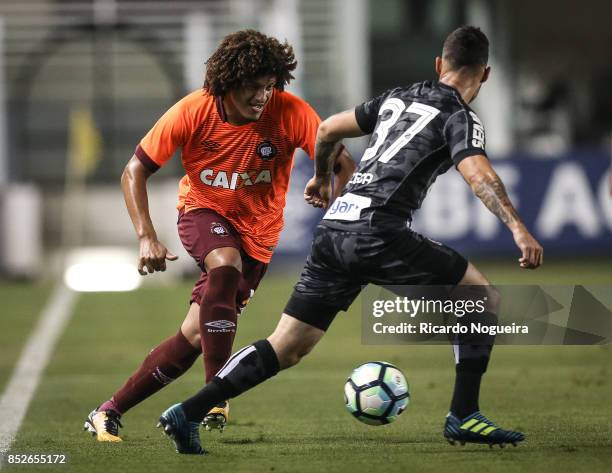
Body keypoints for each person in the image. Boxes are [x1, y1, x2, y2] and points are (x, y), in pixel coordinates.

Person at [156, 25, 544, 455]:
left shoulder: (397, 97)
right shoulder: (460, 117)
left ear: (439, 65)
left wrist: (324, 179)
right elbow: (477, 172)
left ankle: (186, 412)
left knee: (287, 346)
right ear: (485, 75)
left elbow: (327, 129)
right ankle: (464, 414)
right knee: (480, 296)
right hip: (380, 233)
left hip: (334, 231)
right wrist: (517, 226)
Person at [83, 29, 355, 442]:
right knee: (224, 265)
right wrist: (146, 236)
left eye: (268, 87)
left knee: (194, 336)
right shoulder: (193, 111)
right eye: (251, 88)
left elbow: (341, 162)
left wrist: (333, 203)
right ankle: (215, 396)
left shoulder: (290, 112)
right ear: (225, 84)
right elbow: (134, 171)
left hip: (259, 237)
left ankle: (108, 411)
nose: (261, 97)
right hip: (201, 212)